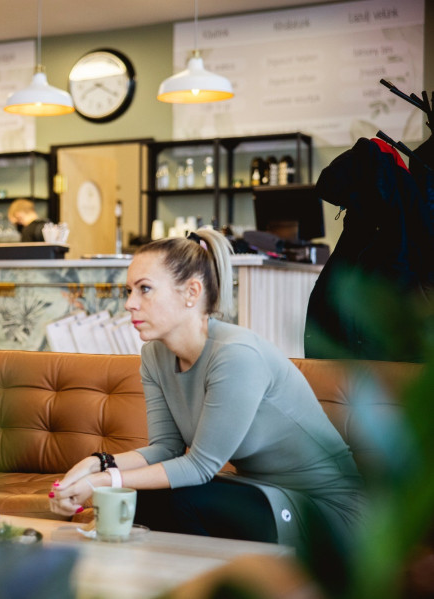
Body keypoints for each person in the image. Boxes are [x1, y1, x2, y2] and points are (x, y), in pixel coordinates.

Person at [49, 229, 365, 549]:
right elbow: (165, 449)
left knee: (172, 500)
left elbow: (199, 467)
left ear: (191, 292)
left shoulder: (236, 354)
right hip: (260, 494)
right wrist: (97, 463)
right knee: (143, 498)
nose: (130, 303)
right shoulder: (154, 356)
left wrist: (102, 482)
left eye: (145, 289)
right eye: (128, 290)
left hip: (326, 512)